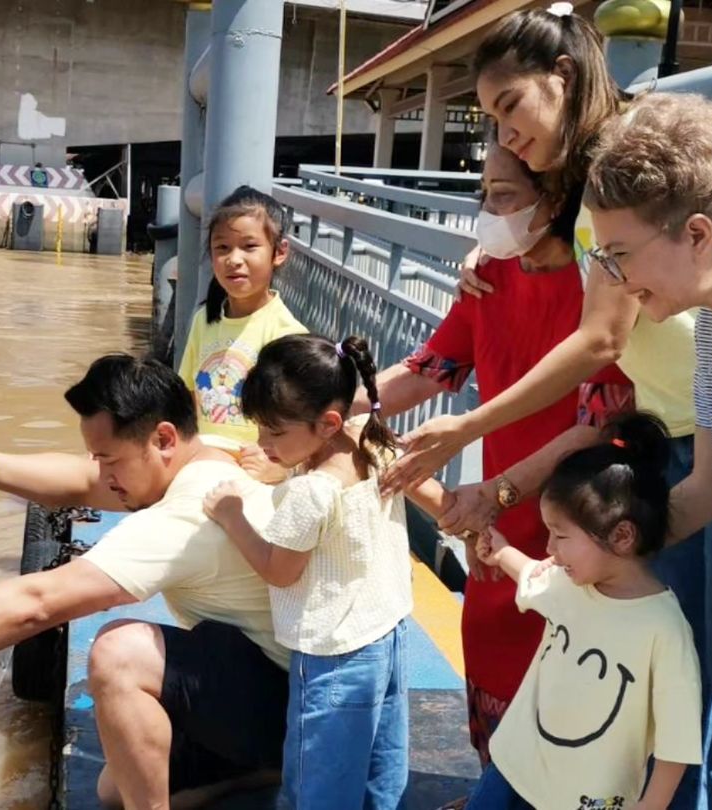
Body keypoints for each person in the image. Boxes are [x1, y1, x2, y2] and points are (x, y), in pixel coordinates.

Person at [383, 8, 712, 805]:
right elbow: (697, 489)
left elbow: (597, 342)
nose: (506, 134)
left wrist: (473, 428)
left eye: (510, 107)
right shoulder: (690, 318)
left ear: (562, 78)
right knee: (681, 673)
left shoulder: (639, 187)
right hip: (675, 439)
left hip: (697, 444)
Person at [0, 354, 290, 810]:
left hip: (283, 705)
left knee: (120, 654)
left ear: (163, 439)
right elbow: (83, 481)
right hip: (271, 682)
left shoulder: (186, 515)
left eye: (111, 459)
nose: (104, 474)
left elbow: (36, 603)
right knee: (115, 788)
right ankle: (262, 770)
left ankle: (268, 758)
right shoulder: (215, 458)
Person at [361, 140, 631, 766]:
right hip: (498, 514)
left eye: (503, 195)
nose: (487, 210)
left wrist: (496, 493)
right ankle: (497, 788)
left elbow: (599, 420)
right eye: (483, 192)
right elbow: (432, 368)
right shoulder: (488, 277)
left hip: (577, 518)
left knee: (570, 681)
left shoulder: (602, 292)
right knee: (486, 645)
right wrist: (336, 404)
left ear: (557, 197)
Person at [582, 92, 712, 809]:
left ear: (696, 234)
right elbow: (710, 489)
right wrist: (605, 553)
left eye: (620, 255)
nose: (616, 281)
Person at [204, 334, 451, 809]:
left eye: (274, 433)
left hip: (334, 655)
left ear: (327, 421)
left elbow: (280, 572)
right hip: (390, 632)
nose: (262, 443)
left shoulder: (311, 493)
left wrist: (232, 516)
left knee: (317, 780)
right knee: (383, 765)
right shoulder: (369, 438)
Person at [468, 413, 702, 810]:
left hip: (585, 800)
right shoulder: (570, 582)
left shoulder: (664, 629)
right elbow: (529, 574)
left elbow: (677, 738)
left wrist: (653, 805)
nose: (550, 550)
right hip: (511, 769)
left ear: (622, 535)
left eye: (560, 536)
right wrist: (500, 549)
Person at [178, 186, 307, 481]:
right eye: (222, 248)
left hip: (254, 472)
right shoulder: (204, 320)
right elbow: (189, 395)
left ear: (279, 252)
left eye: (249, 247)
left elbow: (303, 426)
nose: (234, 259)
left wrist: (278, 469)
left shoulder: (289, 335)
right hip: (204, 462)